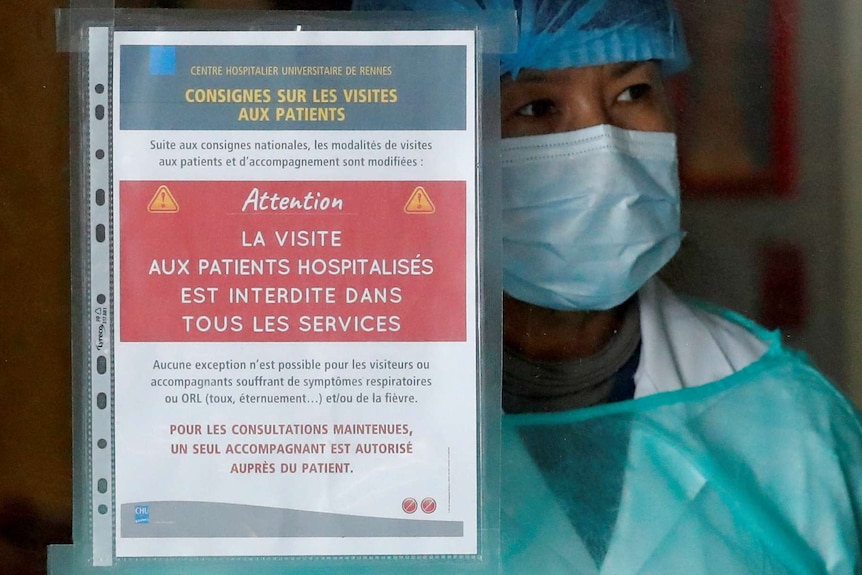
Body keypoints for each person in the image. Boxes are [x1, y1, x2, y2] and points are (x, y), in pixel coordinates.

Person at [352, 1, 862, 572]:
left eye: (633, 93)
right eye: (537, 106)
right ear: (424, 144)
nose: (605, 147)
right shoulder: (328, 415)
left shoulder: (786, 410)